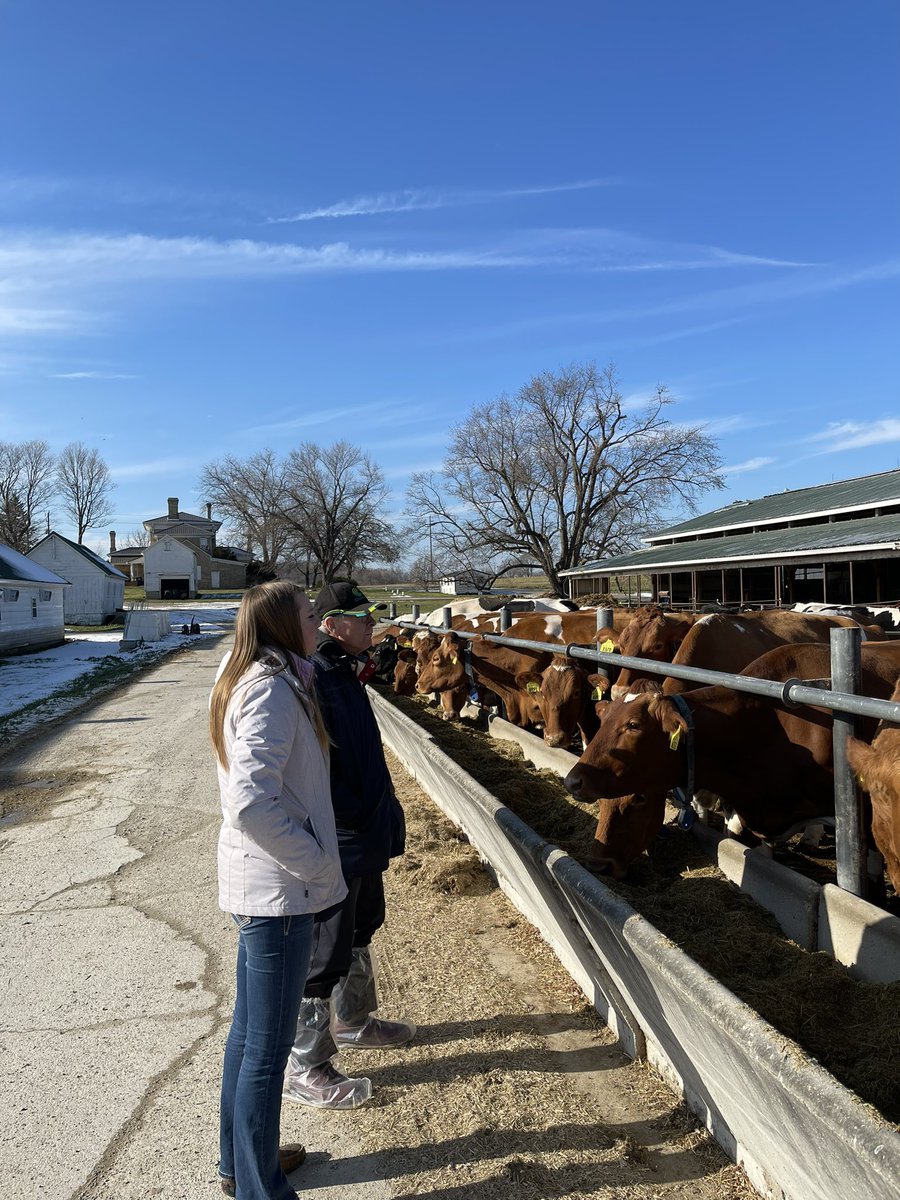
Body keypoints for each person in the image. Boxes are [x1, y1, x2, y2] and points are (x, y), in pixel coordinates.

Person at [210, 581, 347, 1199]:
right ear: (282, 626)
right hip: (280, 895)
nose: (319, 622)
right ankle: (259, 1190)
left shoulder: (265, 675)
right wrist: (316, 863)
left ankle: (242, 1163)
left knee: (249, 1034)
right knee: (267, 1050)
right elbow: (250, 803)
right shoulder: (271, 688)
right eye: (310, 614)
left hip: (265, 889)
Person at [283, 581, 414, 1110]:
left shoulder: (348, 674)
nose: (371, 624)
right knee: (326, 948)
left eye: (371, 616)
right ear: (332, 624)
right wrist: (346, 823)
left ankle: (353, 1019)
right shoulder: (320, 679)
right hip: (341, 833)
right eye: (360, 617)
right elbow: (320, 768)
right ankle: (304, 1063)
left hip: (363, 828)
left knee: (364, 923)